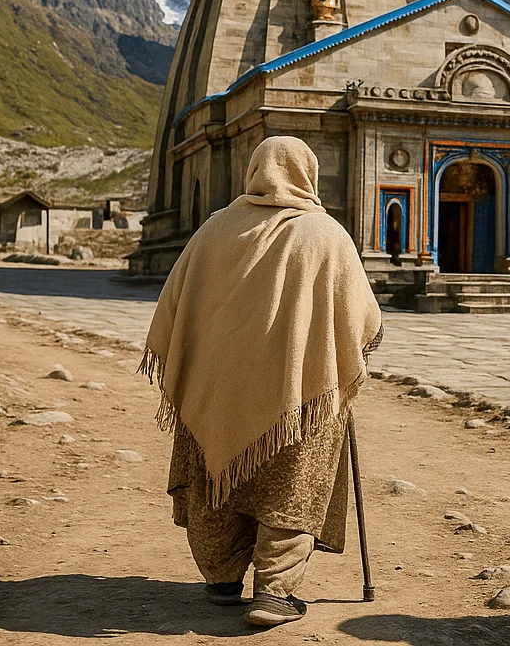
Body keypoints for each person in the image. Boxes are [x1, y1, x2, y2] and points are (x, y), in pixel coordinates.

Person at [142, 136, 383, 628]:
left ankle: (222, 579)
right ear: (308, 174)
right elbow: (364, 322)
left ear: (254, 170)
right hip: (299, 389)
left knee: (216, 476)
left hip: (212, 389)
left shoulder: (212, 231)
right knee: (290, 484)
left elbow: (171, 310)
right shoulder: (325, 234)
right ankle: (274, 592)